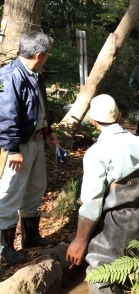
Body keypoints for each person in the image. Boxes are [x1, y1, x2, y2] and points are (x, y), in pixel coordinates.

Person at [66, 94, 139, 294]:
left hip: (113, 225)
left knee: (101, 277)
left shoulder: (96, 152)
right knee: (132, 272)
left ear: (92, 120)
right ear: (120, 116)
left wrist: (80, 241)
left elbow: (92, 201)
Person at [0, 31, 59, 265]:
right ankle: (4, 247)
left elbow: (39, 107)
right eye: (47, 55)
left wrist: (49, 130)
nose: (47, 58)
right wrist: (13, 149)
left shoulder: (35, 74)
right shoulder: (9, 76)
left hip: (36, 141)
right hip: (18, 146)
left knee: (36, 188)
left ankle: (31, 237)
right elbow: (6, 116)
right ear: (39, 54)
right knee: (10, 192)